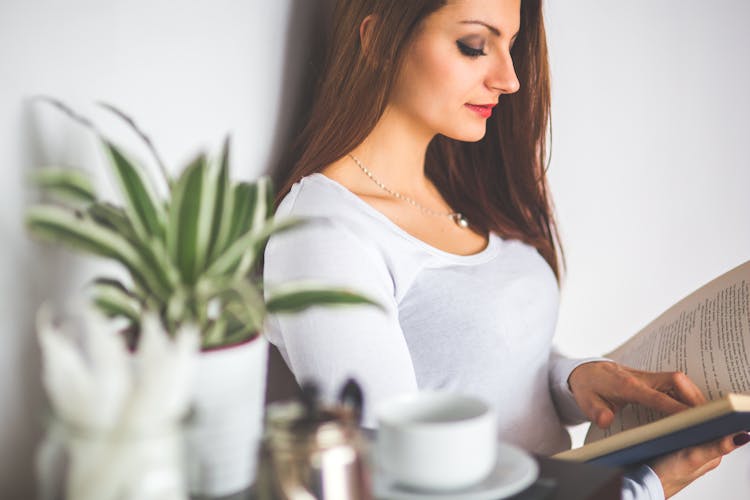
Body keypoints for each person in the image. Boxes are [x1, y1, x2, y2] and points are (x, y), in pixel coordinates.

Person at [262, 1, 748, 498]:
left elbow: (472, 362)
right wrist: (642, 488)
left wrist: (573, 379)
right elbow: (395, 478)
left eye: (511, 47)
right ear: (377, 39)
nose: (510, 79)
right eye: (475, 46)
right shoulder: (326, 232)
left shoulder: (454, 190)